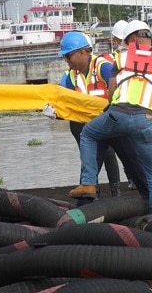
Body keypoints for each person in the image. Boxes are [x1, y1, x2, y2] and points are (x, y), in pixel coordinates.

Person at [76, 20, 152, 217]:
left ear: (132, 40)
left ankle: (89, 184)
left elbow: (112, 90)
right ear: (149, 37)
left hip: (117, 116)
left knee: (89, 133)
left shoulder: (121, 59)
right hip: (146, 122)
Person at [50, 31, 122, 200]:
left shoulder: (102, 67)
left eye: (68, 56)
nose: (66, 61)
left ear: (82, 52)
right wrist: (55, 113)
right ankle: (92, 191)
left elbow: (119, 88)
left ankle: (115, 192)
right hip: (82, 124)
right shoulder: (69, 76)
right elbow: (64, 103)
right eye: (64, 57)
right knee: (88, 154)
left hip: (107, 118)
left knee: (108, 152)